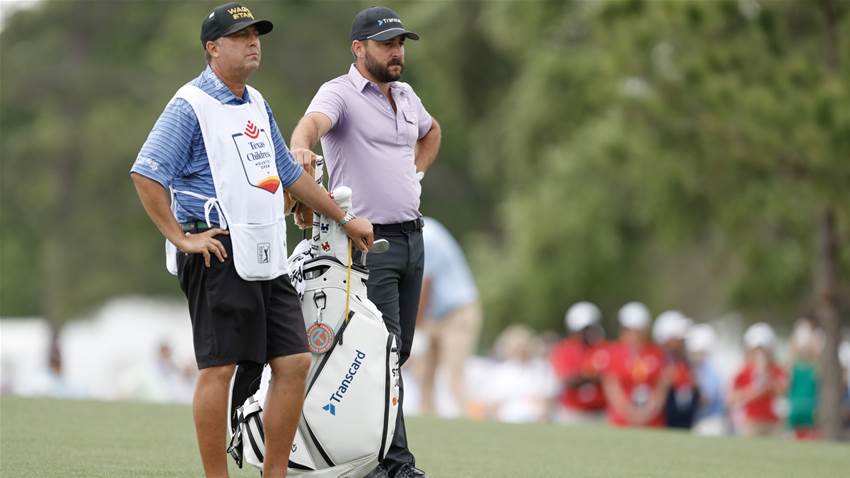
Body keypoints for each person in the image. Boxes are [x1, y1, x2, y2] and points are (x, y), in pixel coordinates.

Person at [130, 4, 373, 477]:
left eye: (256, 35)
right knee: (219, 368)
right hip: (217, 250)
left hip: (265, 253)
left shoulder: (256, 102)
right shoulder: (190, 104)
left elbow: (289, 175)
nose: (253, 43)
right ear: (212, 48)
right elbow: (146, 173)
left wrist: (343, 218)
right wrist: (181, 239)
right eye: (240, 36)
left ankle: (273, 473)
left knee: (294, 361)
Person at [288, 6, 441, 478]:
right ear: (359, 48)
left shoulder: (406, 95)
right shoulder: (339, 93)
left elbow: (432, 132)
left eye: (400, 44)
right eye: (387, 44)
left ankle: (363, 453)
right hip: (367, 244)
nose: (397, 53)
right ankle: (393, 464)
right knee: (382, 355)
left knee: (400, 352)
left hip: (412, 239)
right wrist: (300, 148)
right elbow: (311, 125)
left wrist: (414, 175)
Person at [415, 217, 481, 417]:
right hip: (433, 316)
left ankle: (468, 423)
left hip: (457, 312)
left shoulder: (426, 236)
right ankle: (428, 422)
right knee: (423, 375)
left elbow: (424, 286)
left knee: (454, 375)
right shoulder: (424, 231)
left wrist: (416, 327)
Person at [602, 302, 669, 428]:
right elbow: (612, 389)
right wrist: (631, 414)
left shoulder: (657, 353)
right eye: (628, 329)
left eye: (636, 330)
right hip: (620, 423)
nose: (632, 334)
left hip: (653, 423)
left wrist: (646, 414)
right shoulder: (613, 353)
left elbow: (661, 388)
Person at [549, 302, 610, 423]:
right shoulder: (565, 349)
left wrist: (587, 375)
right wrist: (591, 375)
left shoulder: (603, 348)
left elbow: (610, 377)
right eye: (585, 329)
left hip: (601, 412)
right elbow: (568, 379)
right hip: (573, 413)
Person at [729, 322, 788, 437]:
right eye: (756, 349)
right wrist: (754, 391)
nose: (760, 354)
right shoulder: (743, 371)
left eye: (763, 350)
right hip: (751, 422)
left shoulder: (777, 370)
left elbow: (783, 390)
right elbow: (731, 399)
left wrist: (769, 383)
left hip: (775, 423)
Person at [654, 312, 701, 429]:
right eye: (679, 339)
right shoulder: (656, 362)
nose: (683, 342)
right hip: (663, 426)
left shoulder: (687, 363)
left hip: (687, 425)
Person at [686, 323, 727, 436]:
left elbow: (707, 400)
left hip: (711, 421)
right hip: (699, 420)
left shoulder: (710, 369)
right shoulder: (695, 368)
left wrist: (694, 385)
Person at [786, 318, 821, 440]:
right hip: (794, 410)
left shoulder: (815, 368)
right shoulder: (792, 367)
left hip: (811, 410)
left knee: (811, 438)